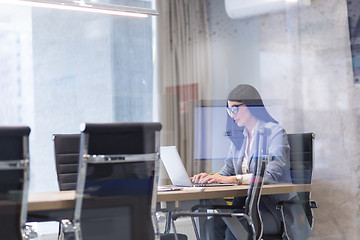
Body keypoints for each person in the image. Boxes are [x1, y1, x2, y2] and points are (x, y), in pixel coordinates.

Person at [191, 84, 312, 240]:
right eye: (229, 109)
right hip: (246, 208)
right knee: (210, 226)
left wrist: (234, 179)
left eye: (235, 108)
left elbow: (270, 175)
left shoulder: (274, 132)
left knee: (233, 231)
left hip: (275, 211)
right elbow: (228, 170)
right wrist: (211, 178)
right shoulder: (240, 138)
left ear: (251, 105)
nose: (232, 114)